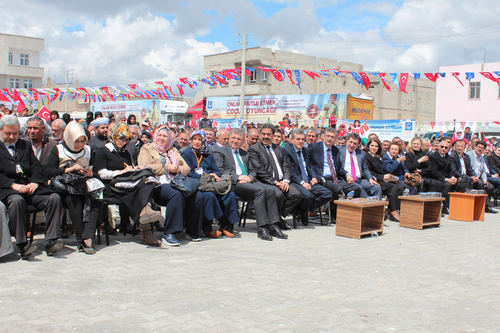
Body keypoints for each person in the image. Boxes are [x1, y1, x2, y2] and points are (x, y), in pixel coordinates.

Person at [0, 115, 65, 259]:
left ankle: (51, 240)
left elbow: (37, 167)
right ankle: (23, 245)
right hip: (9, 190)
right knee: (17, 201)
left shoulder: (24, 145)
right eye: (7, 133)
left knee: (54, 198)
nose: (11, 136)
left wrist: (35, 182)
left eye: (15, 133)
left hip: (29, 188)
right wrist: (13, 185)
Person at [94, 122, 163, 246]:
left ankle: (145, 215)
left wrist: (135, 169)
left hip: (126, 185)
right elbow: (102, 173)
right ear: (114, 136)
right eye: (121, 138)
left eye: (127, 139)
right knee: (139, 191)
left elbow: (128, 168)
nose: (124, 142)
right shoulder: (103, 151)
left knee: (147, 183)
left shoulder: (125, 152)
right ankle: (146, 228)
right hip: (111, 186)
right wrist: (120, 172)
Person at [138, 126, 204, 246]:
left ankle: (192, 231)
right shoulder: (147, 148)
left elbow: (187, 168)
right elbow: (143, 166)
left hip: (177, 182)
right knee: (176, 194)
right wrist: (166, 168)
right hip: (157, 184)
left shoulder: (172, 150)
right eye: (160, 135)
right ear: (155, 135)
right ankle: (169, 233)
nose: (161, 138)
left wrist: (177, 168)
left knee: (198, 195)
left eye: (165, 136)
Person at [214, 129, 283, 240]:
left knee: (270, 190)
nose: (235, 141)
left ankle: (273, 225)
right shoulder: (220, 152)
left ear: (243, 141)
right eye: (233, 138)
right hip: (234, 183)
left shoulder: (245, 154)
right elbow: (221, 171)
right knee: (260, 191)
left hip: (249, 182)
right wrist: (238, 177)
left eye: (238, 139)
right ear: (229, 138)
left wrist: (250, 178)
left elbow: (252, 171)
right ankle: (262, 228)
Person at [45, 121, 103, 254]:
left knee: (96, 201)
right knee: (74, 201)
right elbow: (49, 171)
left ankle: (87, 238)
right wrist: (69, 169)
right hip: (66, 187)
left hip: (84, 184)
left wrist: (90, 173)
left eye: (83, 141)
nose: (80, 145)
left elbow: (97, 171)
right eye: (77, 141)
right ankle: (81, 239)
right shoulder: (58, 149)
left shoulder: (88, 150)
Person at [181, 130, 239, 238]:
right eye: (194, 139)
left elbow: (216, 171)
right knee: (209, 196)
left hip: (211, 183)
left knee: (229, 195)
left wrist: (214, 175)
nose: (197, 142)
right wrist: (207, 176)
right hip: (197, 184)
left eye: (199, 139)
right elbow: (190, 173)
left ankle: (226, 226)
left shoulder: (208, 154)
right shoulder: (187, 153)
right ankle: (207, 228)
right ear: (191, 140)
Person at [248, 124, 302, 238]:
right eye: (263, 134)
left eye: (268, 134)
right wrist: (275, 182)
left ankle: (277, 218)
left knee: (296, 195)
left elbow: (286, 166)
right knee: (277, 195)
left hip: (282, 181)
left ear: (273, 136)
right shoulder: (254, 149)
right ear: (260, 135)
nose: (266, 137)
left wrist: (286, 180)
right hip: (266, 182)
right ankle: (274, 224)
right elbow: (259, 170)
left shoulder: (278, 148)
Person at [308, 128, 361, 220]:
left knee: (356, 188)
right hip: (321, 178)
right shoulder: (314, 147)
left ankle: (344, 212)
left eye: (332, 137)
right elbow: (307, 165)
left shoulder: (336, 150)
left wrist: (347, 174)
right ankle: (334, 215)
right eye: (328, 136)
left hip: (335, 179)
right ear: (323, 136)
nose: (329, 138)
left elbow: (339, 168)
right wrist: (313, 176)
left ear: (336, 139)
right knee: (338, 189)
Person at [283, 129, 332, 225]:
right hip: (295, 182)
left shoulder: (305, 150)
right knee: (308, 196)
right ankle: (303, 212)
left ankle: (301, 211)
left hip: (308, 181)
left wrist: (313, 177)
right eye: (298, 139)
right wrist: (302, 183)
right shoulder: (286, 151)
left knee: (327, 194)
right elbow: (290, 171)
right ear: (292, 139)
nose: (301, 141)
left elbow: (309, 166)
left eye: (302, 139)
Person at [364, 138, 405, 222]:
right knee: (392, 188)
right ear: (368, 146)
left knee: (399, 187)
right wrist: (383, 177)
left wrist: (388, 177)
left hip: (380, 179)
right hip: (372, 180)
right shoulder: (366, 156)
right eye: (372, 146)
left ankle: (391, 209)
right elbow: (368, 172)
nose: (374, 148)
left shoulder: (376, 157)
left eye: (376, 146)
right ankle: (394, 212)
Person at [337, 133, 382, 198]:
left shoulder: (361, 153)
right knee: (359, 188)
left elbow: (365, 169)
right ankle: (367, 207)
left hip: (360, 180)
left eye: (355, 143)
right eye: (351, 142)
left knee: (376, 187)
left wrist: (370, 178)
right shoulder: (339, 150)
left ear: (359, 145)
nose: (352, 145)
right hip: (345, 180)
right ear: (347, 141)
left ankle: (377, 208)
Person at [465, 140, 497, 213]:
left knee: (490, 187)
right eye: (479, 147)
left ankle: (481, 204)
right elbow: (468, 168)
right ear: (475, 146)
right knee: (480, 184)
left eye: (482, 148)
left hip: (479, 178)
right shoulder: (469, 155)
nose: (480, 149)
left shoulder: (482, 158)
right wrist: (474, 177)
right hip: (470, 177)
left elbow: (483, 171)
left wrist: (485, 180)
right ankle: (486, 206)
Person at [427, 139, 453, 215]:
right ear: (438, 147)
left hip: (446, 178)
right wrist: (446, 179)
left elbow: (450, 170)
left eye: (446, 147)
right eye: (442, 147)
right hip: (436, 178)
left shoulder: (448, 157)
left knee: (458, 183)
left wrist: (452, 177)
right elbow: (434, 171)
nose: (443, 149)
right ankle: (444, 207)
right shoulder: (433, 156)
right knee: (447, 185)